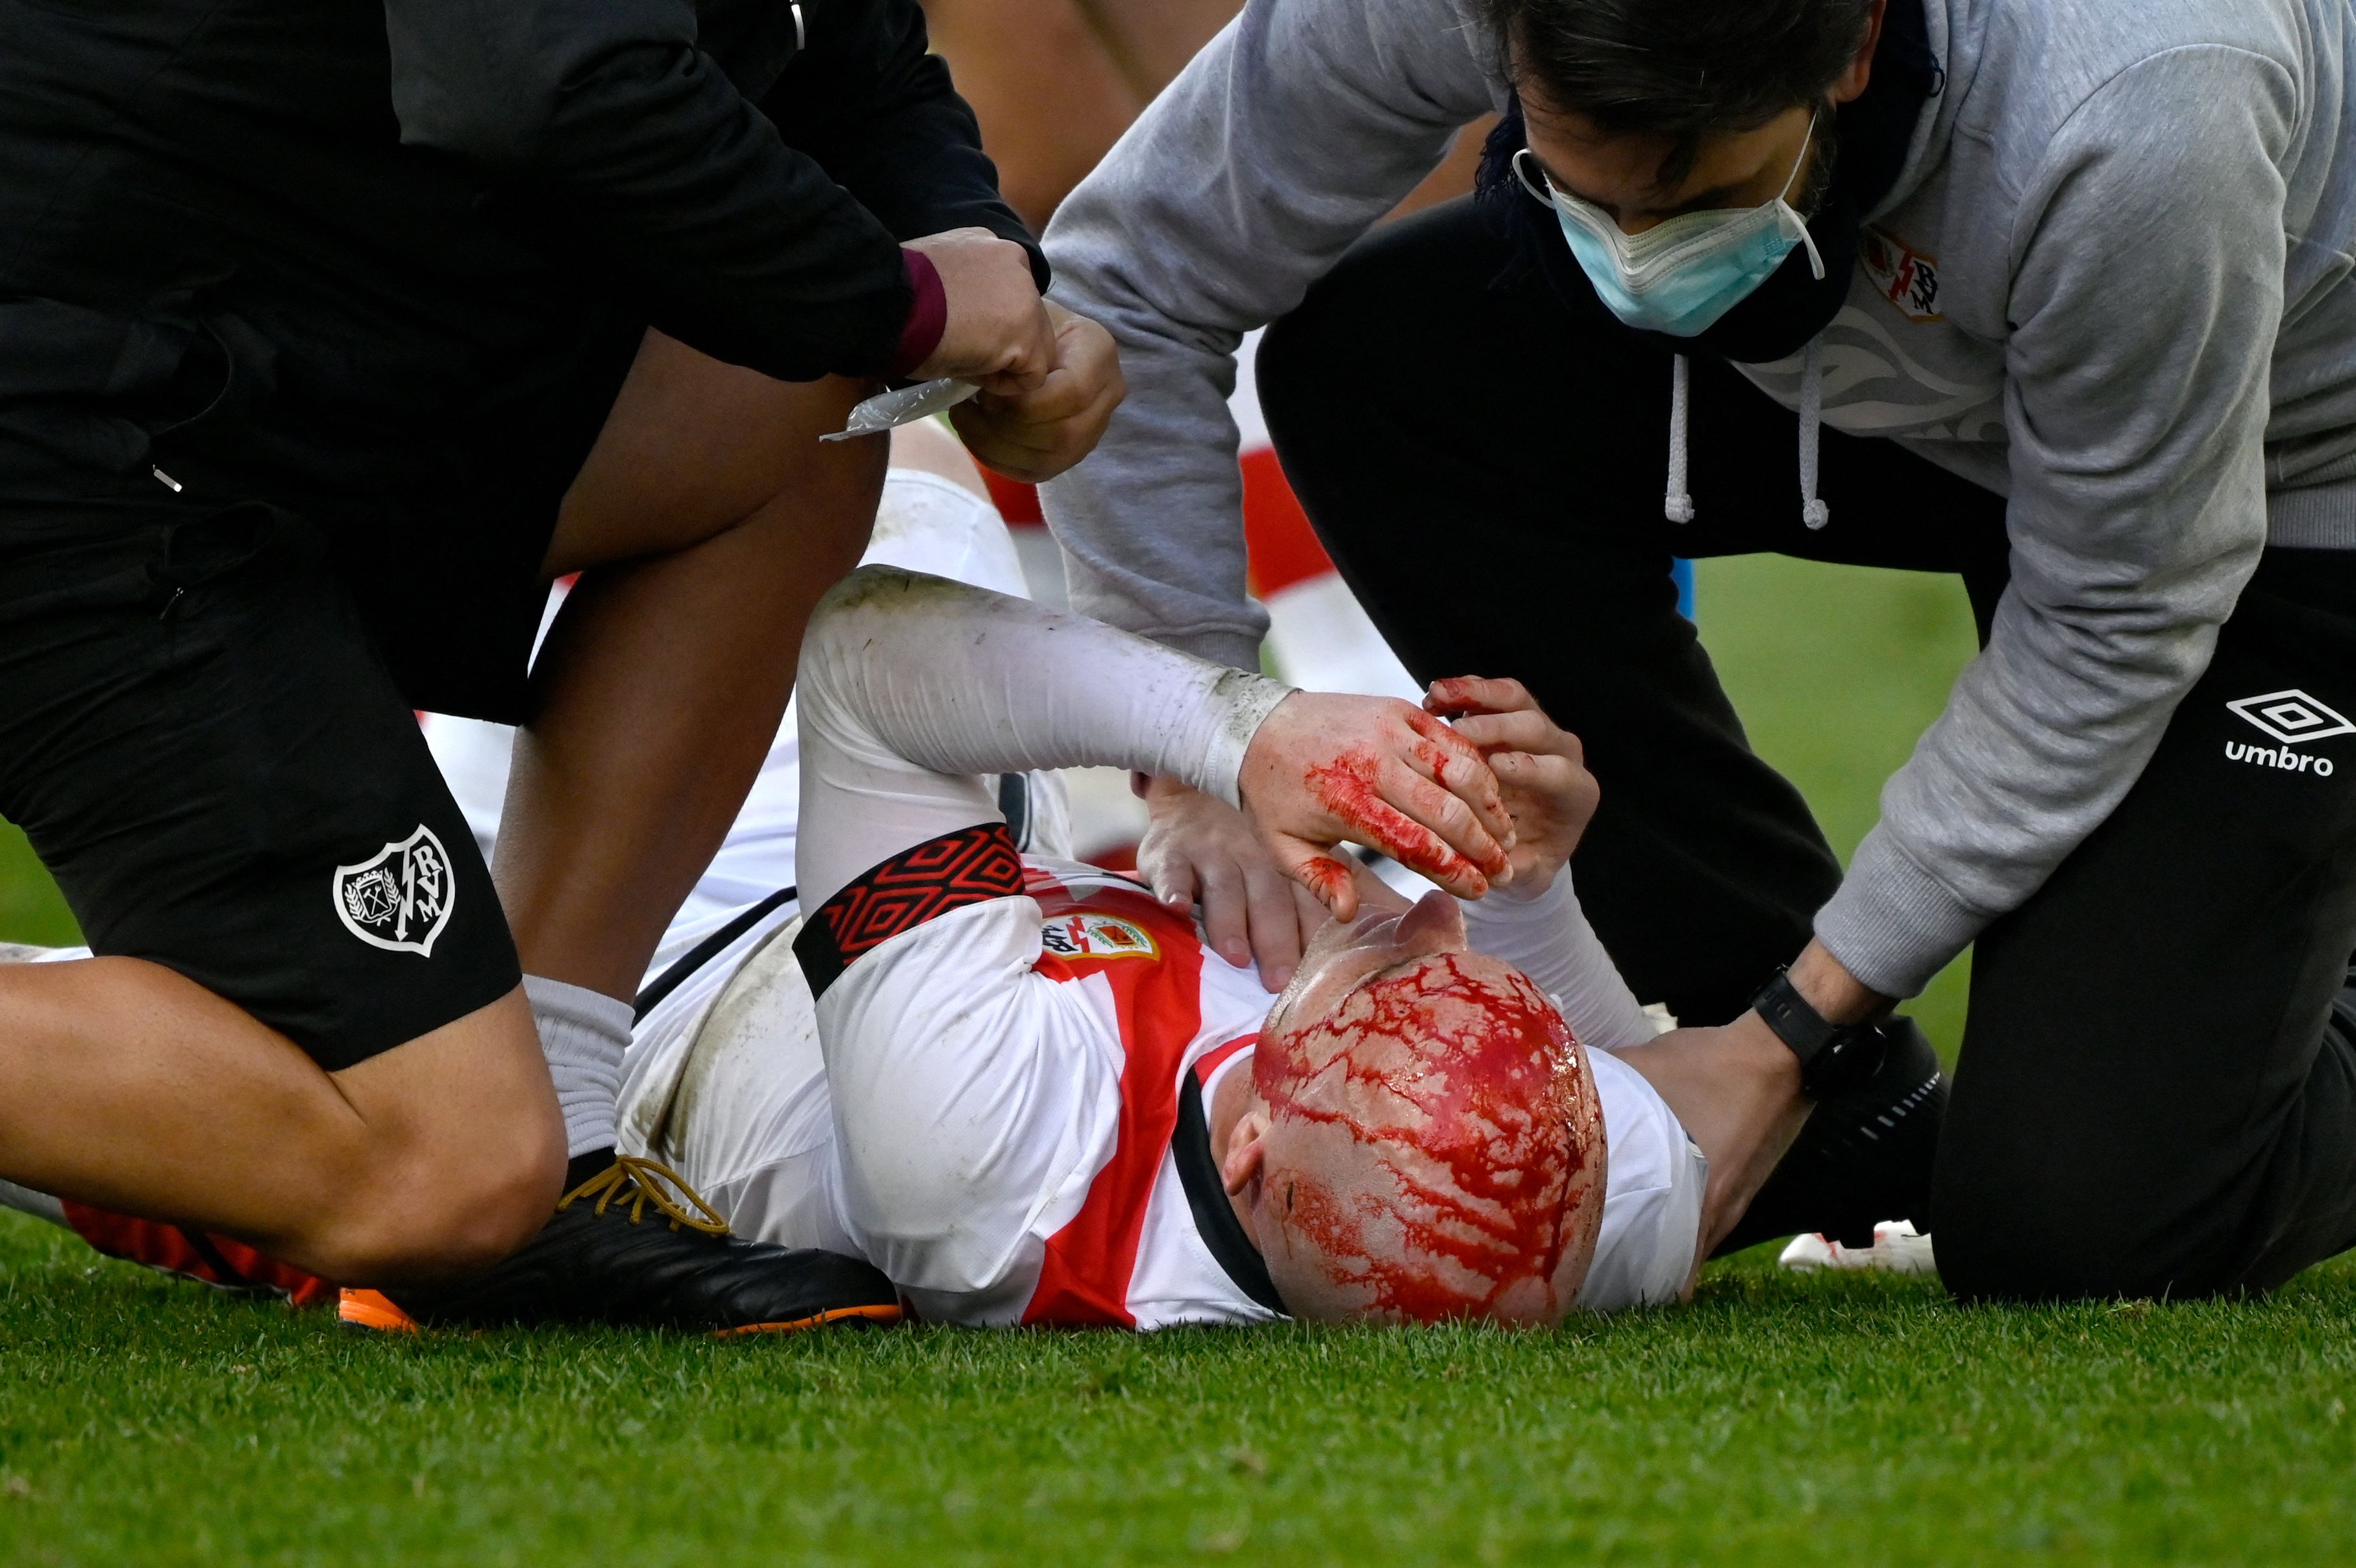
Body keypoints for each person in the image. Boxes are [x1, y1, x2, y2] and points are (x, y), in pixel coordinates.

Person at [1037, 0, 2356, 1299]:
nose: (1638, 250)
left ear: (1849, 48)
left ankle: (1791, 1056)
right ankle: (1832, 1094)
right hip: (1899, 365)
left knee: (2085, 1228)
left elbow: (2115, 612)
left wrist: (1789, 1032)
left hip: (2269, 447)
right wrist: (1197, 742)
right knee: (1384, 369)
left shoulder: (2146, 90)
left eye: (1697, 194)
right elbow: (1132, 280)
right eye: (1589, 191)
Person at [0, 0, 1130, 1330]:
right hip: (85, 428)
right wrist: (913, 307)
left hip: (245, 383)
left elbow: (855, 62)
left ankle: (567, 1113)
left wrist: (982, 273)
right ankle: (491, 1145)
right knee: (443, 1169)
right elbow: (539, 81)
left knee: (794, 391)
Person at [370, 559, 1941, 1330]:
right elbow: (1627, 1083)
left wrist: (1233, 736)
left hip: (695, 922)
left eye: (1383, 952)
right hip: (996, 845)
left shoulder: (993, 1163)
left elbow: (861, 646)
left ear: (1249, 1144)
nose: (1422, 900)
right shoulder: (1534, 1222)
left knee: (798, 446)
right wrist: (1528, 882)